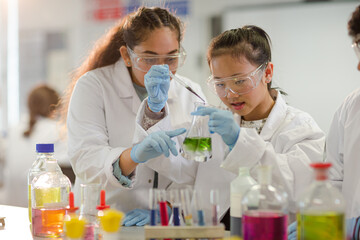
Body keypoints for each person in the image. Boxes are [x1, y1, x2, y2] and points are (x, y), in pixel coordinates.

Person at [62, 6, 231, 227]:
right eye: (149, 59)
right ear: (127, 56)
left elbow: (198, 166)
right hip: (106, 221)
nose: (161, 69)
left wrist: (168, 209)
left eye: (171, 59)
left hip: (162, 222)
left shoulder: (192, 93)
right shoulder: (94, 87)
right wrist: (132, 156)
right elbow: (86, 161)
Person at [191, 25, 325, 222]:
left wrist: (239, 142)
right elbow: (185, 169)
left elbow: (298, 189)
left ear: (267, 73)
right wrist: (154, 114)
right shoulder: (212, 124)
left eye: (239, 81)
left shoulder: (301, 127)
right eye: (220, 84)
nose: (230, 94)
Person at [2, 84, 68, 207]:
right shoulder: (58, 130)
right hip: (39, 207)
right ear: (54, 107)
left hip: (10, 203)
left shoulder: (14, 129)